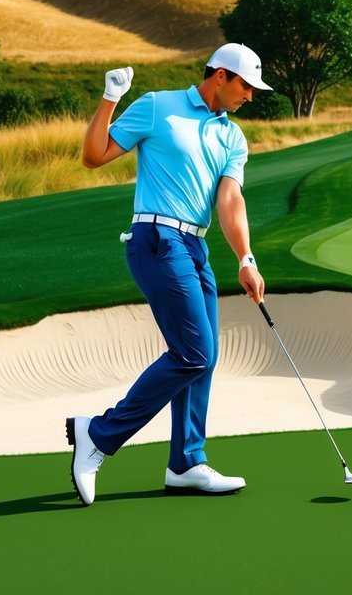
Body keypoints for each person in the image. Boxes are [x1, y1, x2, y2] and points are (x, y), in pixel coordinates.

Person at [67, 42, 271, 506]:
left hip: (194, 247)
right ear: (220, 75)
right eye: (245, 85)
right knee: (195, 352)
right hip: (156, 239)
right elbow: (94, 155)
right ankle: (98, 435)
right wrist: (109, 99)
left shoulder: (233, 137)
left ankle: (186, 462)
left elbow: (230, 200)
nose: (250, 96)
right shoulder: (159, 106)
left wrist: (245, 258)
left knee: (205, 355)